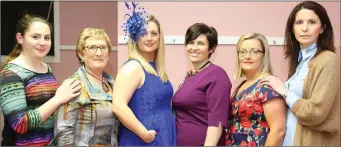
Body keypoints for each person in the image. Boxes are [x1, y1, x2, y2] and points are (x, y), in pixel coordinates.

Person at [260, 1, 340, 146]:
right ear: (292, 28)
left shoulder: (328, 60)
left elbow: (316, 113)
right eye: (299, 22)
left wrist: (284, 91)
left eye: (312, 22)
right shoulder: (300, 63)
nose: (304, 28)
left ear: (322, 28)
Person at [0, 14, 81, 146]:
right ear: (20, 38)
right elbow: (20, 124)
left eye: (47, 38)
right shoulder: (10, 74)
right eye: (35, 37)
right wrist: (58, 99)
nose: (43, 42)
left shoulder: (46, 68)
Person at [111, 2, 176, 146]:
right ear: (135, 38)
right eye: (143, 33)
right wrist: (144, 134)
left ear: (160, 38)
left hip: (163, 138)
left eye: (154, 33)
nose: (149, 38)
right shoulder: (133, 67)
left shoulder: (157, 69)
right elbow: (118, 106)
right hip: (141, 141)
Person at [54, 28, 119, 146]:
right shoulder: (73, 85)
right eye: (92, 47)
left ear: (108, 53)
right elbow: (63, 134)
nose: (99, 53)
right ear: (80, 54)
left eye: (103, 47)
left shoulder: (114, 84)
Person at [171, 23, 231, 146]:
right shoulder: (191, 75)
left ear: (211, 48)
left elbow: (217, 121)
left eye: (200, 44)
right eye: (191, 43)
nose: (194, 48)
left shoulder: (217, 75)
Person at [225, 33, 286, 146]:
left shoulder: (268, 85)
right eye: (242, 52)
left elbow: (278, 131)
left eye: (255, 51)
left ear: (264, 55)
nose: (247, 56)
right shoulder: (241, 86)